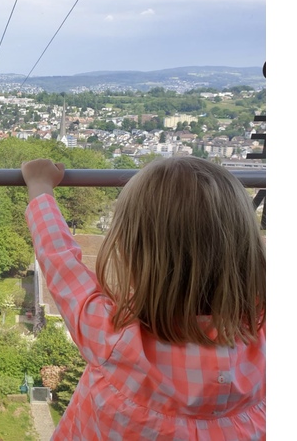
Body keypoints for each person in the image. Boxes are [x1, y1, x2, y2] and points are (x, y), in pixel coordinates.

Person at [21, 156, 265, 440]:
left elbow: (59, 260)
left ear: (130, 252)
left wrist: (40, 187)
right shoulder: (262, 337)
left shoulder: (113, 336)